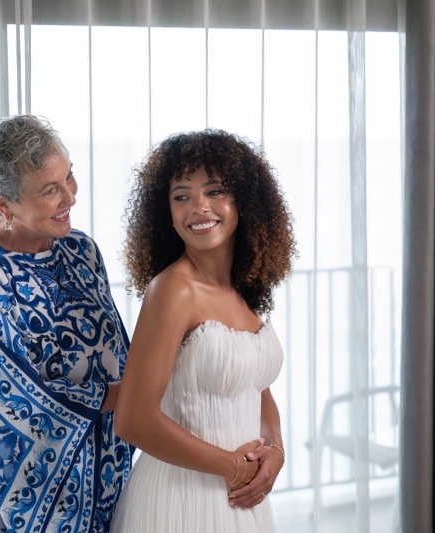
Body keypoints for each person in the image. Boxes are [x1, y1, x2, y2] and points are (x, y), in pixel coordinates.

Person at [0, 115, 132, 532]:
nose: (70, 198)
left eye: (69, 178)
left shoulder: (81, 252)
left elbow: (118, 352)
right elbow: (15, 399)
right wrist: (128, 396)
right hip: (15, 504)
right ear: (1, 204)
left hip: (106, 485)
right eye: (50, 191)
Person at [110, 129, 297, 532]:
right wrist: (230, 467)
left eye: (214, 191)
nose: (198, 206)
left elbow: (254, 385)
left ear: (244, 201)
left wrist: (277, 448)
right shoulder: (172, 291)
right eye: (181, 196)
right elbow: (133, 419)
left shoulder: (242, 289)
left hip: (240, 498)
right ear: (167, 213)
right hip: (181, 500)